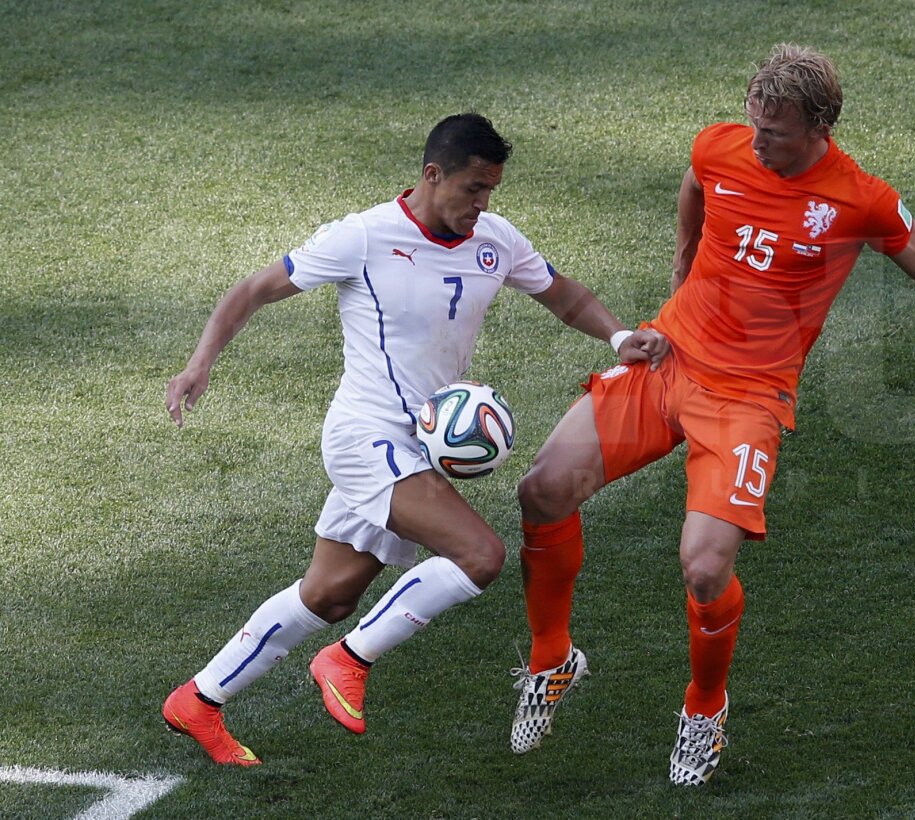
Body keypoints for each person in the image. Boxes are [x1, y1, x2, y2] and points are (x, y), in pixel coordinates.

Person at [508, 45, 915, 786]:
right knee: (542, 489)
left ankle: (704, 707)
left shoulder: (859, 199)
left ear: (819, 126)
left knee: (706, 568)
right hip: (668, 359)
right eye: (754, 123)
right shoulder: (722, 145)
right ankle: (553, 660)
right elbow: (697, 182)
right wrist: (681, 264)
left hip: (748, 398)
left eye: (774, 132)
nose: (757, 140)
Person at [161, 112, 669, 766]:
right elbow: (255, 289)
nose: (481, 204)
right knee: (479, 555)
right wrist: (201, 361)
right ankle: (345, 662)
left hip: (416, 447)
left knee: (331, 592)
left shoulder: (496, 240)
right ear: (433, 175)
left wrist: (620, 338)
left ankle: (199, 700)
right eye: (472, 189)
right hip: (365, 437)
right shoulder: (365, 236)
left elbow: (562, 294)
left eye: (491, 192)